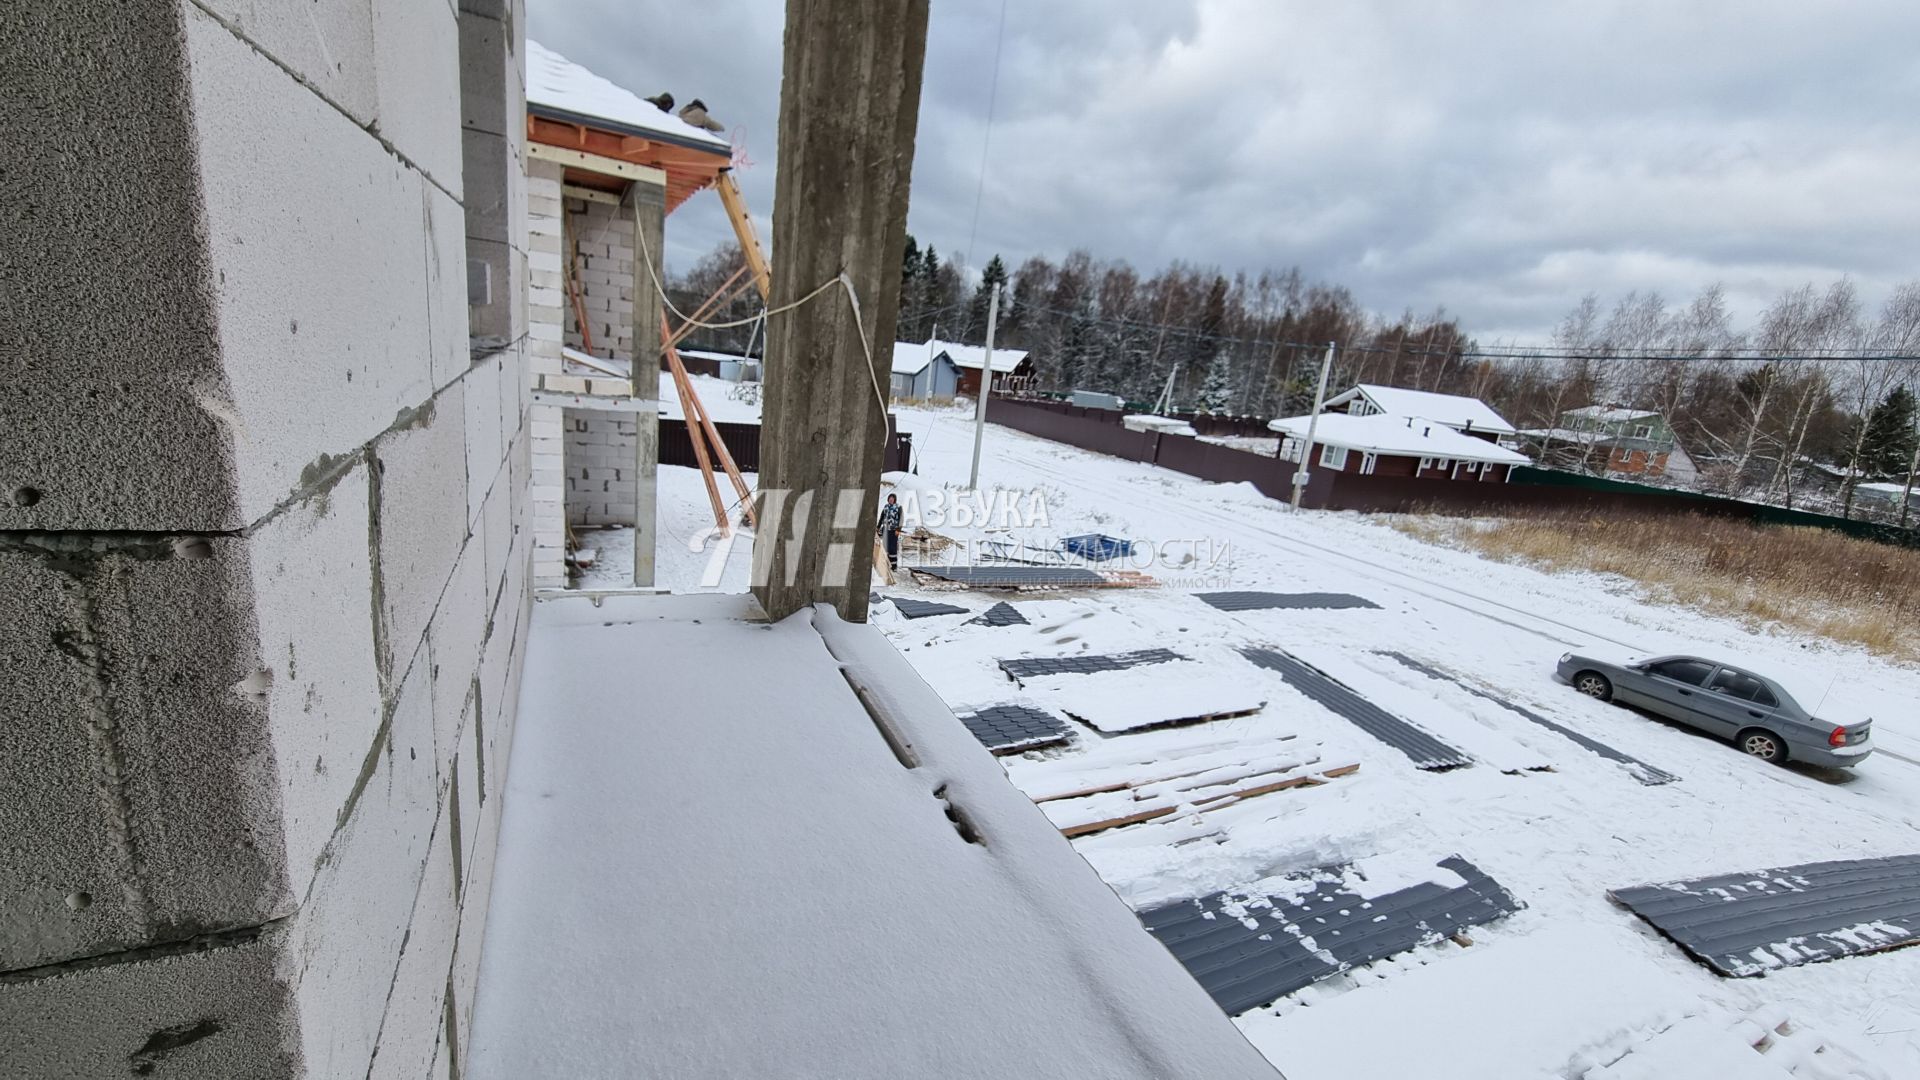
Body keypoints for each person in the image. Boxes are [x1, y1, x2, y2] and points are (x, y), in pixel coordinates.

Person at [877, 493, 903, 570]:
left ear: (895, 499)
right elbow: (882, 517)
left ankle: (894, 566)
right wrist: (878, 527)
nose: (891, 499)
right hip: (885, 530)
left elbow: (901, 519)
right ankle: (886, 564)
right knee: (886, 547)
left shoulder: (898, 507)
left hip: (894, 531)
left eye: (892, 498)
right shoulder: (886, 507)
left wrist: (898, 529)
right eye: (890, 498)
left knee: (892, 548)